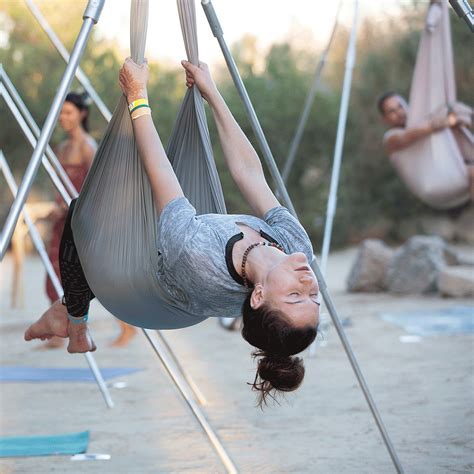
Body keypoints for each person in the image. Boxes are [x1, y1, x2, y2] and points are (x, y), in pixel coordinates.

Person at [25, 58, 320, 406]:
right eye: (314, 299)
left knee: (85, 213)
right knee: (117, 212)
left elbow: (161, 175)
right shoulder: (296, 245)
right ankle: (69, 315)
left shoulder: (199, 256)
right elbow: (249, 175)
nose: (309, 285)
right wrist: (211, 93)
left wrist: (138, 96)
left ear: (257, 297)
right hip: (184, 257)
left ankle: (74, 317)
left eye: (294, 297)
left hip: (147, 291)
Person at [44, 92, 136, 349]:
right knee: (54, 270)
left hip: (82, 218)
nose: (63, 118)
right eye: (61, 113)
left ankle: (128, 325)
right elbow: (59, 186)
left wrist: (69, 208)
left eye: (69, 112)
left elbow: (96, 185)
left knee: (95, 275)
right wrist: (57, 207)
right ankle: (58, 330)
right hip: (62, 216)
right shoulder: (61, 148)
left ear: (81, 114)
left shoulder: (87, 147)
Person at [378, 92, 474, 199]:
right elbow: (409, 136)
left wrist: (457, 119)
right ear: (384, 119)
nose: (399, 112)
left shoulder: (420, 121)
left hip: (450, 168)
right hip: (432, 183)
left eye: (400, 106)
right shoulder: (390, 139)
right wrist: (449, 121)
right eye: (392, 111)